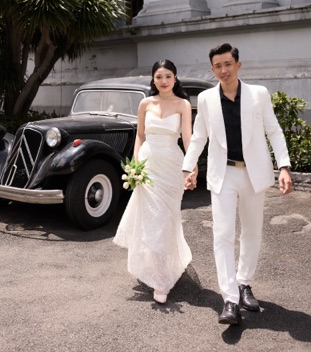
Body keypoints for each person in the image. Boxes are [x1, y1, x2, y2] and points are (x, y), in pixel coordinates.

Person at [182, 43, 293, 325]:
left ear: (238, 65)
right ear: (212, 69)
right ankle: (230, 299)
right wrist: (188, 167)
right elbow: (199, 136)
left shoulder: (258, 94)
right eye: (218, 66)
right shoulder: (206, 99)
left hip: (253, 173)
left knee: (251, 232)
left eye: (228, 64)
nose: (224, 70)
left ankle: (244, 283)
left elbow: (274, 130)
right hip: (224, 173)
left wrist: (284, 166)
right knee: (222, 234)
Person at [113, 59, 193, 304]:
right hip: (147, 167)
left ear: (175, 78)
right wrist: (135, 165)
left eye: (168, 76)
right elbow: (139, 136)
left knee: (166, 220)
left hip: (171, 167)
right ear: (153, 80)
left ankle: (168, 263)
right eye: (159, 77)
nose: (164, 81)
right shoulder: (145, 103)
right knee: (151, 221)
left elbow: (188, 139)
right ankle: (160, 279)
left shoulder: (183, 105)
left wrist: (191, 169)